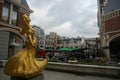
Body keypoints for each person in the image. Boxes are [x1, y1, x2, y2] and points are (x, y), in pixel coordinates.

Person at [4, 14, 47, 78]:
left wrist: (21, 31)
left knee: (26, 55)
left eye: (25, 18)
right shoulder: (28, 27)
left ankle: (23, 67)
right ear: (27, 20)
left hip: (29, 42)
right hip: (31, 42)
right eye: (26, 18)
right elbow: (29, 36)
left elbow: (21, 33)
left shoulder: (25, 26)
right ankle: (28, 68)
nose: (26, 20)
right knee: (29, 56)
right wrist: (32, 43)